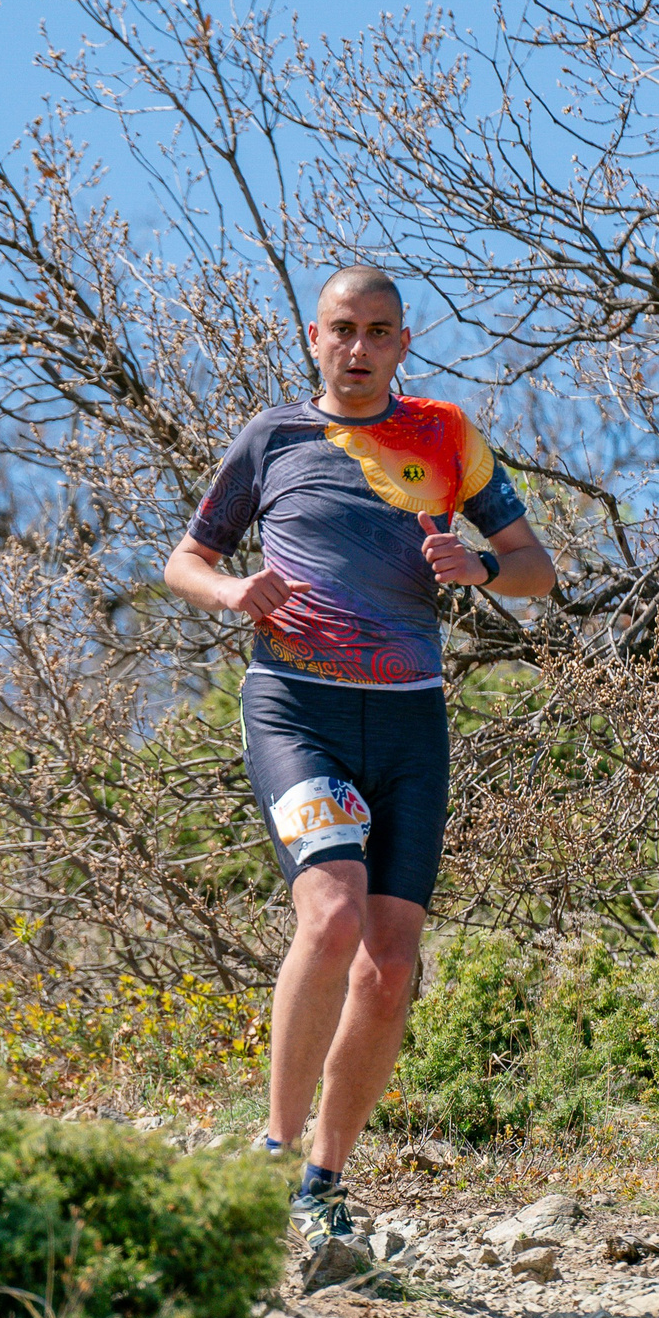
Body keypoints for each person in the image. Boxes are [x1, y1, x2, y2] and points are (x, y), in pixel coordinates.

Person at [163, 266, 558, 1242]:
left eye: (377, 332)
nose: (357, 349)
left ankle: (321, 1182)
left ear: (401, 344)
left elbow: (540, 573)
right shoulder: (272, 439)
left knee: (390, 969)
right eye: (342, 330)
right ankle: (270, 1148)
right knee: (330, 913)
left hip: (410, 721)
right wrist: (233, 594)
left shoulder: (446, 439)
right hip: (297, 709)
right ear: (313, 337)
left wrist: (482, 567)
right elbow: (184, 561)